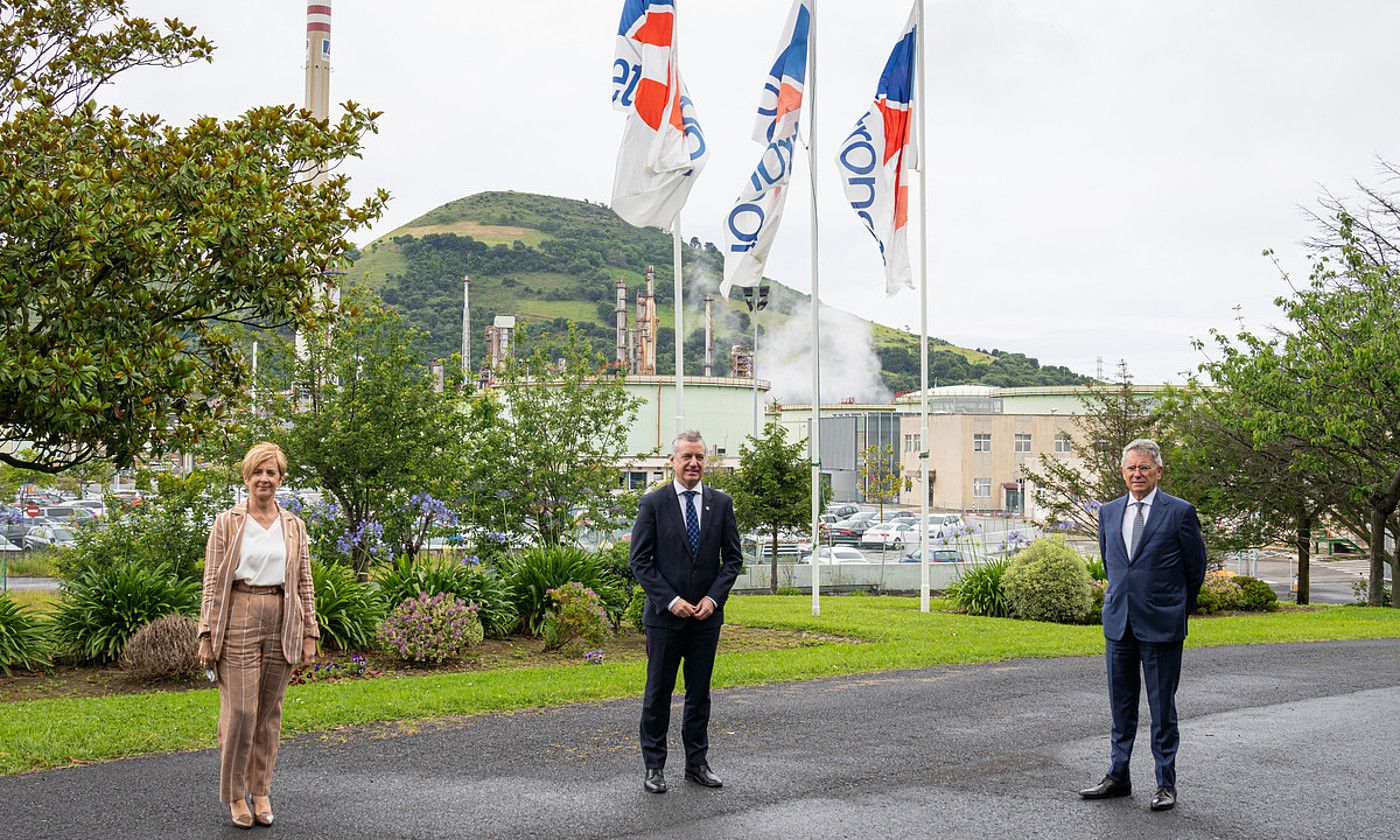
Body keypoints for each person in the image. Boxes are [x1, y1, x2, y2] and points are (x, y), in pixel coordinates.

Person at [1080, 438, 1206, 812]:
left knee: (1161, 708)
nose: (1137, 473)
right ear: (1122, 472)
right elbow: (1112, 563)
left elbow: (1194, 569)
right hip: (1119, 623)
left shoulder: (1179, 512)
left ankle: (1165, 783)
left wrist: (1176, 608)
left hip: (1162, 625)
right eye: (1131, 468)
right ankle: (1118, 776)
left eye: (1145, 468)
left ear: (1159, 471)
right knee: (1121, 707)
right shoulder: (1109, 512)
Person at [198, 442, 319, 828]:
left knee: (268, 714)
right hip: (239, 615)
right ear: (247, 477)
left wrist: (309, 632)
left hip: (283, 618)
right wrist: (206, 632)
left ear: (281, 479)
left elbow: (303, 581)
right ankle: (235, 794)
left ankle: (261, 790)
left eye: (271, 472)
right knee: (242, 711)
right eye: (257, 472)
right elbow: (212, 582)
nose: (263, 479)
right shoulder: (228, 522)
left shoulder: (293, 525)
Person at [630, 430, 744, 794]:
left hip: (705, 619)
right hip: (665, 619)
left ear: (705, 461)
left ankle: (697, 763)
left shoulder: (721, 503)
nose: (693, 463)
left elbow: (733, 560)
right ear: (673, 461)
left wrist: (713, 599)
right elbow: (640, 561)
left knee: (699, 694)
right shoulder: (654, 503)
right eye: (686, 457)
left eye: (699, 457)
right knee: (658, 694)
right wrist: (670, 600)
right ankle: (654, 767)